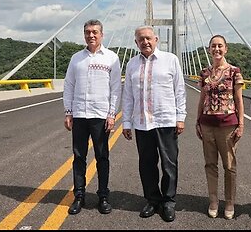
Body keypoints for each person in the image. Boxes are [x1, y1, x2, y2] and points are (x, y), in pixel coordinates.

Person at [122, 25, 186, 222]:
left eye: (149, 38)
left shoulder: (170, 60)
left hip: (166, 120)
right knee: (147, 164)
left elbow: (179, 90)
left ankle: (168, 201)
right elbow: (128, 96)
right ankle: (152, 199)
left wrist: (180, 117)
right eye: (141, 39)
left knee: (169, 164)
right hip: (142, 123)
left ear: (156, 39)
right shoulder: (132, 64)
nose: (145, 42)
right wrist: (126, 121)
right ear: (136, 42)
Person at [63, 19, 122, 215]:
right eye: (88, 32)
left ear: (102, 34)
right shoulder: (76, 58)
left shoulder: (111, 58)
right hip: (79, 114)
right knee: (79, 157)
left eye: (95, 32)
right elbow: (69, 85)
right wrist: (68, 112)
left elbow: (116, 88)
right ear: (84, 35)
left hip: (100, 115)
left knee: (102, 157)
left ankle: (103, 196)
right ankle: (79, 196)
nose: (91, 35)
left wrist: (112, 114)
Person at [195, 35, 245, 220]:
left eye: (220, 46)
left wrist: (241, 124)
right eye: (213, 46)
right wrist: (197, 121)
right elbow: (202, 98)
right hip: (207, 124)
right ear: (209, 49)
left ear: (226, 49)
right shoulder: (204, 73)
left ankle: (230, 202)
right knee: (210, 164)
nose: (216, 49)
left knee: (229, 165)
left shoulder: (234, 71)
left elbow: (239, 100)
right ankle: (214, 201)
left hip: (227, 126)